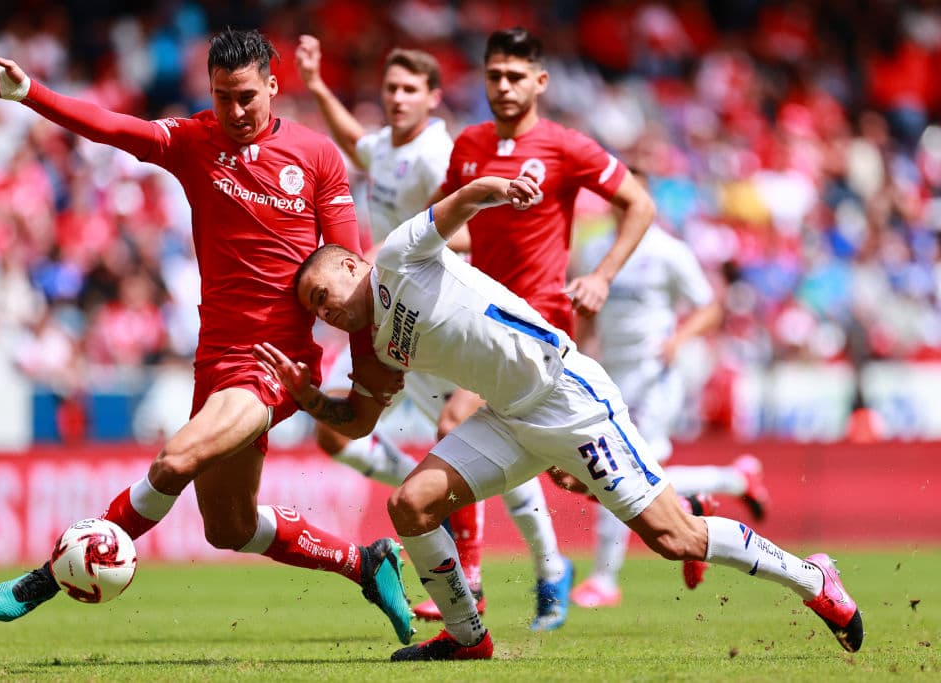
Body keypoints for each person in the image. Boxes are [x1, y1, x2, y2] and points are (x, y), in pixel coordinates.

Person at [254, 173, 864, 661]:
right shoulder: (378, 347)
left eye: (321, 296)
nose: (324, 313)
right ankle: (468, 637)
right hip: (506, 419)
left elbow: (461, 201)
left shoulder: (396, 256)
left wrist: (501, 188)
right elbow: (358, 421)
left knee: (674, 538)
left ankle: (814, 579)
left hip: (566, 395)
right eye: (315, 311)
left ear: (350, 266)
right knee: (410, 505)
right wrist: (309, 398)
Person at [0, 28, 414, 645]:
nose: (236, 110)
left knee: (175, 459)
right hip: (215, 360)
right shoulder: (195, 140)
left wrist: (365, 382)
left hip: (273, 364)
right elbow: (113, 128)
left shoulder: (317, 157)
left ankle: (48, 577)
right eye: (223, 97)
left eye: (247, 96)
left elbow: (352, 281)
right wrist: (30, 92)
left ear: (273, 87)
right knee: (229, 527)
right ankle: (366, 563)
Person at [295, 34, 570, 629]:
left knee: (466, 435)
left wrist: (397, 255)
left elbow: (467, 227)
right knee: (349, 435)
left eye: (409, 89)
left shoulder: (435, 154)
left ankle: (511, 570)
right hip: (392, 317)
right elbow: (355, 142)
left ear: (432, 97)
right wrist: (316, 85)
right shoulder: (386, 146)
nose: (397, 98)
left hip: (438, 309)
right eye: (390, 88)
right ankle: (532, 557)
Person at [417, 26, 657, 628]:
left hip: (539, 320)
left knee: (455, 423)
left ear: (540, 81)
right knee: (554, 464)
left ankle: (472, 581)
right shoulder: (470, 144)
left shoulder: (566, 146)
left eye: (515, 76)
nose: (503, 86)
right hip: (481, 320)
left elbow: (640, 204)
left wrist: (601, 275)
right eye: (494, 75)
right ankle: (560, 564)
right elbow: (454, 224)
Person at [570, 173, 771, 607]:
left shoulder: (668, 251)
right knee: (628, 470)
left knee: (621, 468)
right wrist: (580, 360)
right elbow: (587, 313)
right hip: (610, 374)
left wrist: (677, 341)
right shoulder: (594, 248)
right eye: (616, 196)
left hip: (653, 373)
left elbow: (710, 307)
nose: (622, 204)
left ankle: (604, 579)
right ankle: (731, 481)